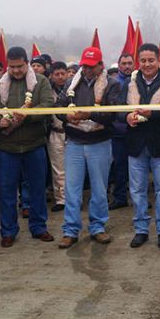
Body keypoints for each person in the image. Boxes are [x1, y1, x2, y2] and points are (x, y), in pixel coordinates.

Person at [0, 46, 55, 248]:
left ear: (27, 63)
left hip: (35, 145)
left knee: (38, 189)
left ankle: (39, 227)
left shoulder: (41, 82)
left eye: (19, 66)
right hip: (6, 148)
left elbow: (48, 105)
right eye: (11, 67)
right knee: (7, 192)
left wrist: (28, 115)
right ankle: (8, 231)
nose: (15, 71)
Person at [56, 47, 119, 249]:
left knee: (99, 189)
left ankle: (98, 227)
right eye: (85, 66)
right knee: (72, 189)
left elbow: (113, 114)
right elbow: (58, 108)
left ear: (101, 65)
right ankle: (70, 230)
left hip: (99, 142)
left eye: (92, 66)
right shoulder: (70, 82)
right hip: (74, 142)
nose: (88, 70)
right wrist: (67, 116)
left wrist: (88, 115)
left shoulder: (112, 85)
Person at [118, 43, 160, 249]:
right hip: (135, 144)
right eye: (143, 60)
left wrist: (153, 113)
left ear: (158, 60)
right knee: (137, 189)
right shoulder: (129, 81)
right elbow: (117, 108)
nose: (147, 64)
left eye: (151, 60)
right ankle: (141, 229)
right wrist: (126, 117)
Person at [109, 54, 134, 210]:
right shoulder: (112, 83)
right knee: (119, 166)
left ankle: (140, 197)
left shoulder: (138, 80)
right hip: (118, 131)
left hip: (137, 130)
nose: (127, 66)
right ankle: (120, 197)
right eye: (124, 63)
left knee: (138, 167)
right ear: (119, 65)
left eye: (129, 63)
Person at [47, 61, 68, 212]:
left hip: (72, 132)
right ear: (51, 76)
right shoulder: (47, 91)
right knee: (58, 168)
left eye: (63, 73)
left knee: (75, 169)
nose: (60, 77)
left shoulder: (73, 88)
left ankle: (74, 198)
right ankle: (61, 199)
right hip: (55, 132)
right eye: (57, 74)